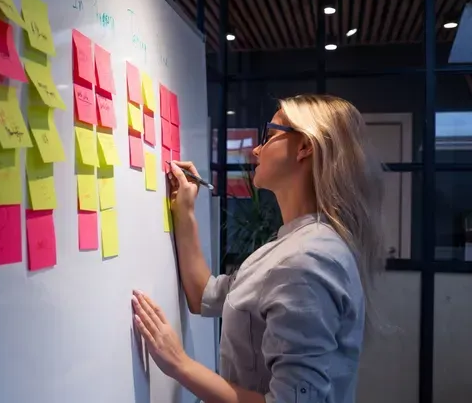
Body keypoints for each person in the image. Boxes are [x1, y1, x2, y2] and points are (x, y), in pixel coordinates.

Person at [131, 94, 386, 403]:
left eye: (271, 136)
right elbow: (204, 296)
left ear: (305, 146)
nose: (256, 149)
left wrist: (180, 364)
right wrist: (184, 214)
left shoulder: (307, 260)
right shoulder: (293, 246)